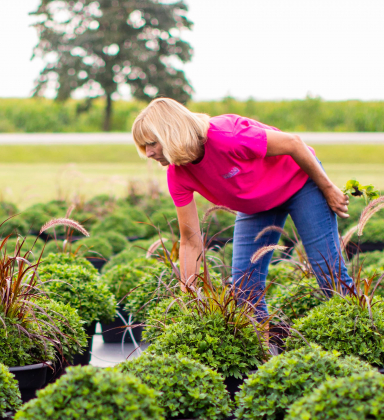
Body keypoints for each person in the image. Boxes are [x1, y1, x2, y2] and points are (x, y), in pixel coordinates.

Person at [131, 97, 354, 316]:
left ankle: (358, 334)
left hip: (299, 184)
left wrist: (328, 188)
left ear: (171, 133)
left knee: (328, 272)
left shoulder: (228, 136)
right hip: (256, 206)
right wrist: (187, 296)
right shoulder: (178, 175)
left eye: (152, 143)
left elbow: (293, 143)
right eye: (144, 146)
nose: (148, 153)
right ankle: (262, 352)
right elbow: (189, 240)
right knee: (245, 290)